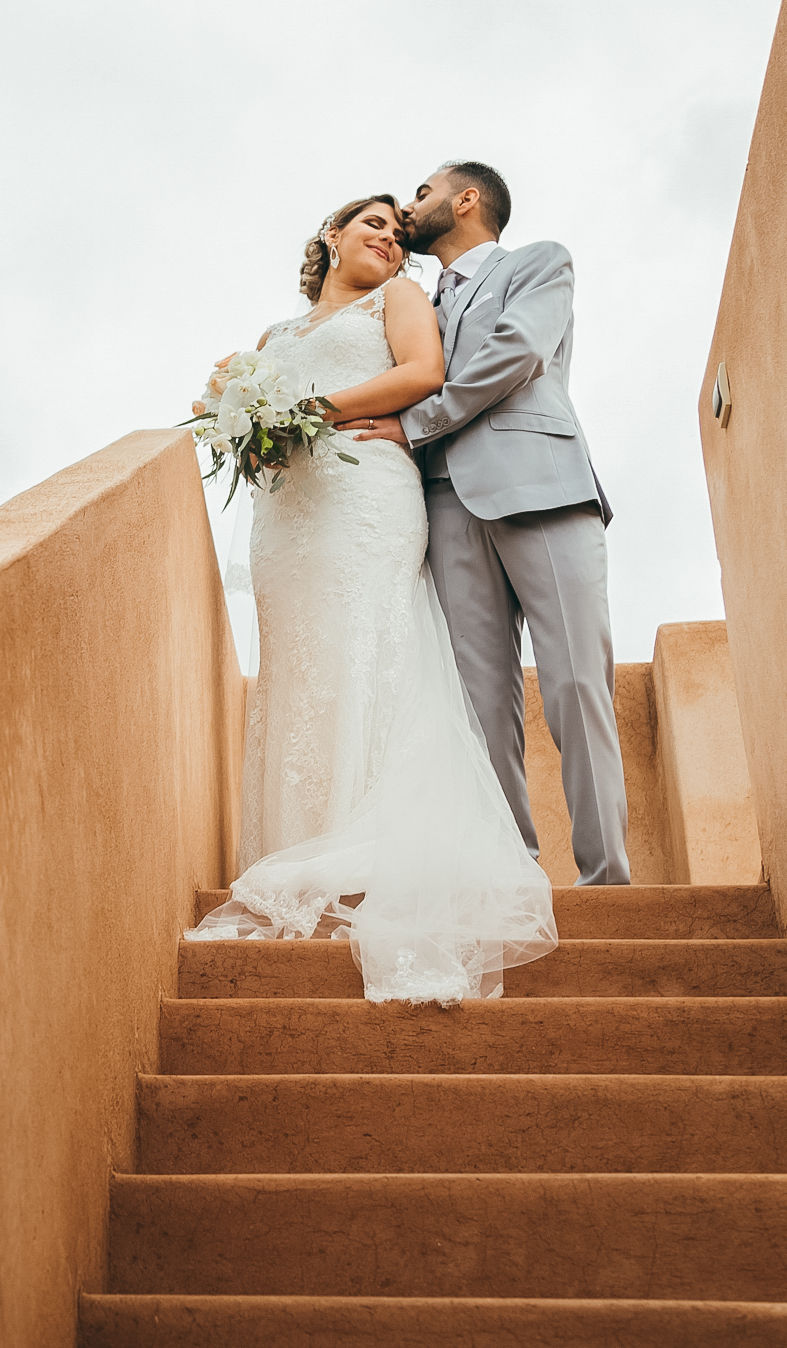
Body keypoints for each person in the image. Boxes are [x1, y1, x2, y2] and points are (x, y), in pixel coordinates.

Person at [185, 194, 555, 1003]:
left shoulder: (399, 297)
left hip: (367, 500)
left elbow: (422, 374)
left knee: (368, 645)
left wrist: (309, 410)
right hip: (288, 518)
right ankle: (302, 845)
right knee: (299, 667)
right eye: (372, 224)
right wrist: (246, 428)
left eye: (396, 231)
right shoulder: (271, 338)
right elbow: (252, 434)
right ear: (332, 233)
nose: (389, 238)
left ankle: (373, 856)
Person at [339, 161, 630, 885]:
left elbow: (517, 353)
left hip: (542, 486)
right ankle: (510, 876)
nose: (410, 208)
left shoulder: (538, 263)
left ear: (466, 199)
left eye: (423, 192)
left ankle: (606, 879)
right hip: (443, 505)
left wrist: (419, 422)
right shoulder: (408, 302)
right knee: (477, 702)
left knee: (576, 680)